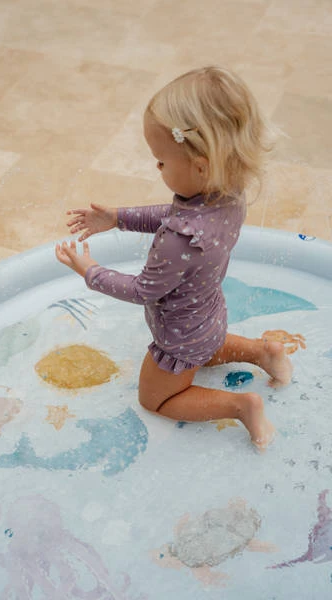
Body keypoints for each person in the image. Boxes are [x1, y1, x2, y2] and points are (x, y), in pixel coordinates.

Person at [55, 66, 292, 452]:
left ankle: (241, 406)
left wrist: (90, 272)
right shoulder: (228, 195)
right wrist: (118, 218)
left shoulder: (178, 239)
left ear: (200, 165)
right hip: (209, 316)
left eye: (162, 161)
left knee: (155, 399)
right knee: (208, 348)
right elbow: (173, 214)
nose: (157, 167)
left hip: (179, 339)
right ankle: (264, 352)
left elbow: (143, 291)